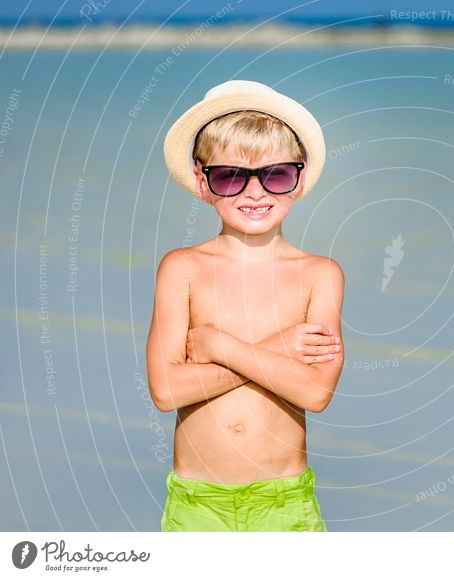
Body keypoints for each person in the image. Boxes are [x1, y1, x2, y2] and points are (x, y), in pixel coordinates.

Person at [146, 80, 344, 532]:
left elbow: (315, 393)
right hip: (198, 502)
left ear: (298, 179)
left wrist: (218, 344)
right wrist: (278, 348)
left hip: (285, 502)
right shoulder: (182, 269)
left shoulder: (320, 275)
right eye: (230, 176)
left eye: (274, 175)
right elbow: (165, 392)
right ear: (203, 182)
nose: (254, 194)